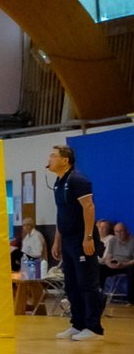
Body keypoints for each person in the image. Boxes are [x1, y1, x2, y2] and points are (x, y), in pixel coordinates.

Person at [47, 145, 101, 340]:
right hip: (67, 240)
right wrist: (57, 240)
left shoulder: (78, 180)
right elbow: (61, 213)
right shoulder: (58, 183)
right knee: (71, 284)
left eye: (53, 156)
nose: (49, 159)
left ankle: (94, 328)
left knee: (87, 283)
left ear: (65, 160)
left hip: (82, 239)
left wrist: (88, 237)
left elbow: (89, 207)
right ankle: (77, 324)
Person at [100, 221, 133, 304]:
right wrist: (109, 264)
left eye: (121, 231)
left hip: (127, 263)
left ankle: (131, 299)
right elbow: (108, 256)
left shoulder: (132, 241)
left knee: (132, 269)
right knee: (99, 268)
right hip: (115, 263)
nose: (119, 234)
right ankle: (98, 296)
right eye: (116, 232)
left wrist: (124, 264)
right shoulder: (112, 240)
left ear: (126, 231)